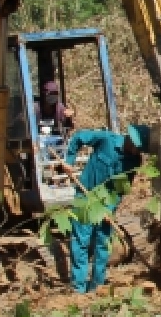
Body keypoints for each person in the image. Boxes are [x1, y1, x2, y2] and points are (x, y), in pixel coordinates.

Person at [62, 124, 150, 294]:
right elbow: (79, 137)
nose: (136, 152)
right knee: (81, 242)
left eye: (140, 149)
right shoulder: (106, 140)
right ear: (130, 139)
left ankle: (97, 286)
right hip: (85, 199)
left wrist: (109, 209)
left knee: (102, 244)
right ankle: (78, 289)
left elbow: (121, 189)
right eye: (136, 147)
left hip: (105, 205)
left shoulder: (134, 161)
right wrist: (69, 162)